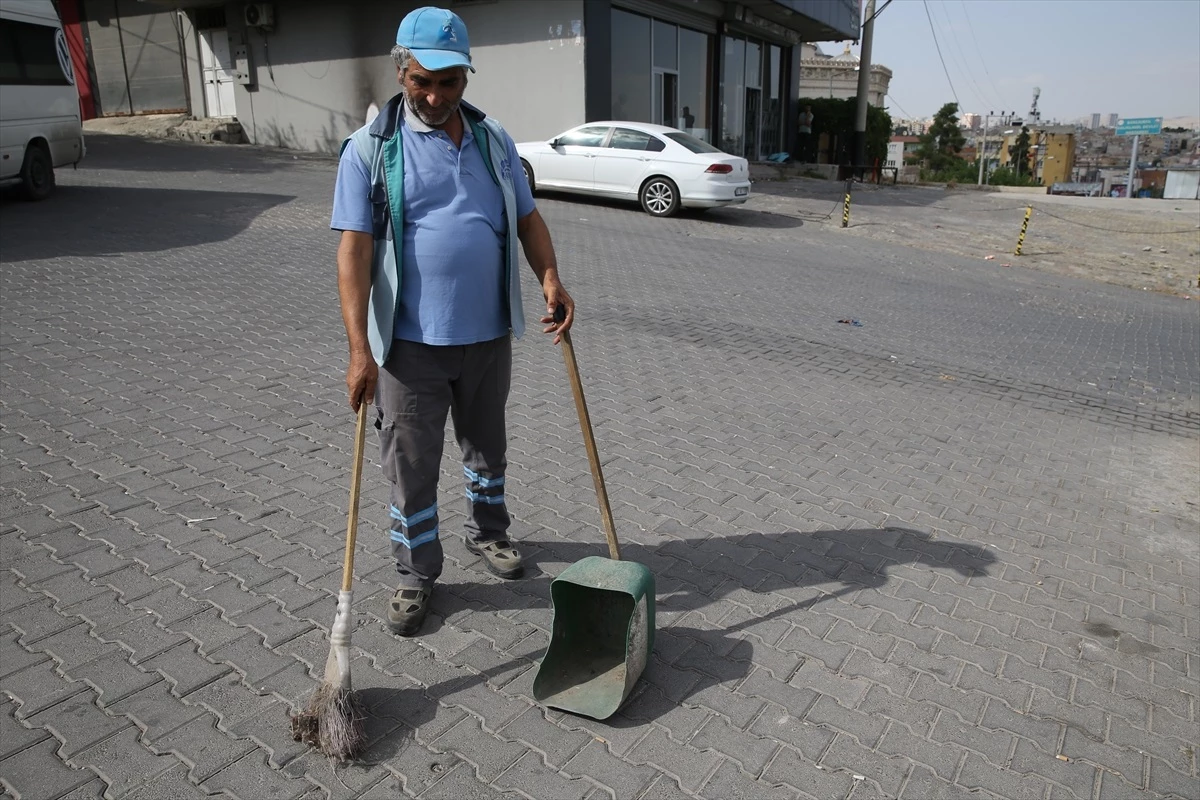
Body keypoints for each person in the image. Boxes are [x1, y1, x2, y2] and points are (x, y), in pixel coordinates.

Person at [331, 6, 574, 637]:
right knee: (410, 463)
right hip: (410, 344)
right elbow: (353, 251)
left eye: (450, 82)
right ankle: (416, 572)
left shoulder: (495, 140)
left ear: (467, 76)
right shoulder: (370, 150)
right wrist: (360, 350)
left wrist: (549, 277)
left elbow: (527, 218)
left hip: (488, 334)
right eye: (422, 81)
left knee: (486, 447)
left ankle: (488, 533)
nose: (436, 96)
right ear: (401, 70)